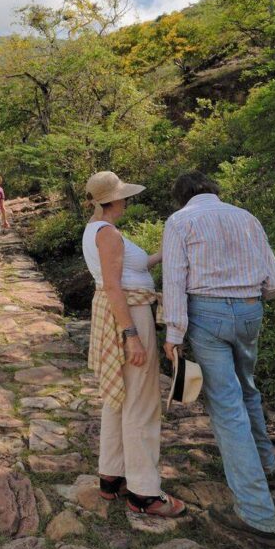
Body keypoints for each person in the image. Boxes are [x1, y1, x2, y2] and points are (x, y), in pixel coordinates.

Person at [161, 171, 275, 546]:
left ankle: (257, 514)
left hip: (206, 314)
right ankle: (267, 465)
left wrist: (174, 335)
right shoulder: (246, 217)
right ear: (215, 191)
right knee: (248, 388)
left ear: (180, 197)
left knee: (227, 407)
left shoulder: (180, 221)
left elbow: (175, 280)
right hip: (251, 311)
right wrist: (249, 300)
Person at [83, 171, 187, 518]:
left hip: (120, 311)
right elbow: (114, 286)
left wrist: (162, 255)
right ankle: (144, 491)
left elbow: (128, 270)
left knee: (119, 398)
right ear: (113, 200)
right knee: (142, 402)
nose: (127, 200)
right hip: (129, 314)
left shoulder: (96, 230)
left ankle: (111, 473)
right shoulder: (109, 233)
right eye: (123, 196)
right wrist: (132, 336)